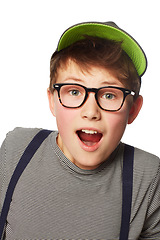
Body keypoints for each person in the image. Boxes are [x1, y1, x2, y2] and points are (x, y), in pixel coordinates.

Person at [0, 21, 159, 239]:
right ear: (53, 101)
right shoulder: (16, 149)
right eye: (74, 91)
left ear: (133, 110)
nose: (91, 112)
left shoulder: (148, 177)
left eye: (109, 95)